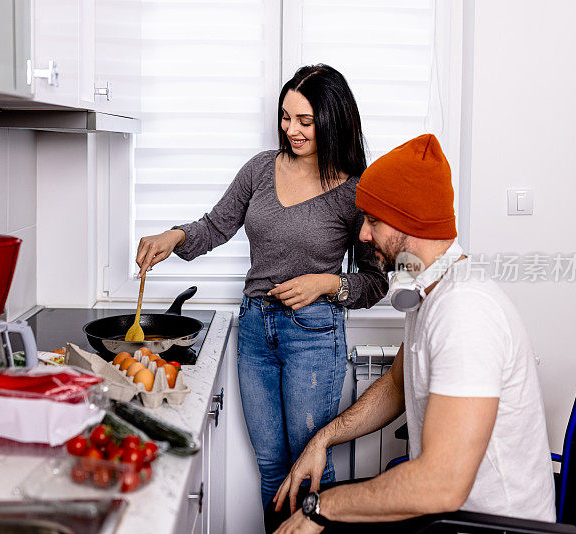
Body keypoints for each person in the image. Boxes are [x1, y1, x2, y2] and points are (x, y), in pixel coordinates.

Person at [270, 134, 556, 533]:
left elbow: (441, 485)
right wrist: (323, 439)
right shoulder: (428, 289)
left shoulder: (465, 311)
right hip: (449, 516)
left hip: (485, 527)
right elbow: (397, 383)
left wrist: (322, 508)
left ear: (410, 220)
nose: (364, 236)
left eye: (372, 221)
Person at [135, 64, 388, 510]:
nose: (291, 130)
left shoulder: (355, 192)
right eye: (286, 117)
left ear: (333, 120)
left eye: (305, 121)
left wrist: (326, 283)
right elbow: (215, 225)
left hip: (313, 335)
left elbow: (373, 283)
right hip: (255, 330)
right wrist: (173, 237)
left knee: (309, 465)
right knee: (271, 465)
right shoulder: (259, 170)